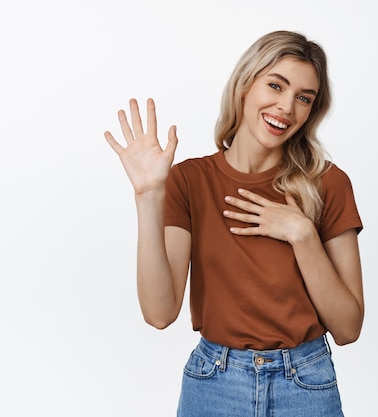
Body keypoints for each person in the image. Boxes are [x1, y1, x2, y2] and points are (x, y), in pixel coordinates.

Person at [104, 30, 363, 417]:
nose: (287, 107)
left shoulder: (328, 183)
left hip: (305, 386)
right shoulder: (189, 180)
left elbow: (348, 328)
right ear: (245, 83)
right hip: (214, 385)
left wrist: (302, 234)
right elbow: (159, 314)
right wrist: (148, 197)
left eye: (304, 98)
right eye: (275, 85)